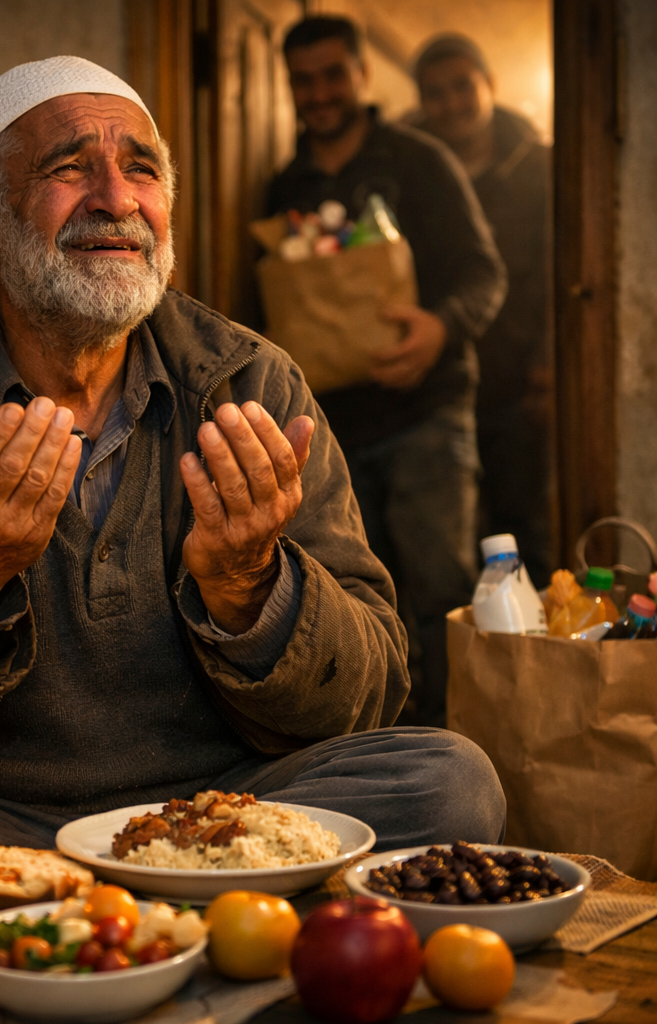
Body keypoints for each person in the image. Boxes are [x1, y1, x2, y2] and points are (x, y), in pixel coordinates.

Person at [0, 56, 503, 870]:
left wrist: (255, 588)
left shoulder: (254, 383)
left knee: (447, 780)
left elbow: (372, 690)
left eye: (141, 169)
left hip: (221, 812)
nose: (117, 201)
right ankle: (163, 904)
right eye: (69, 167)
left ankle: (125, 893)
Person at [266, 17, 506, 726]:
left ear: (362, 75)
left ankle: (464, 749)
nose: (320, 93)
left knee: (442, 597)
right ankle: (386, 751)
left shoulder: (422, 161)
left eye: (332, 74)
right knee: (354, 607)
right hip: (332, 435)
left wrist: (441, 327)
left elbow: (484, 275)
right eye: (303, 80)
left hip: (429, 417)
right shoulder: (282, 188)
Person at [411, 34, 552, 588]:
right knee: (451, 548)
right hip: (435, 383)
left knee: (525, 527)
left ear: (489, 84)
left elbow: (560, 273)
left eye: (462, 86)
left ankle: (540, 659)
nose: (451, 103)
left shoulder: (540, 167)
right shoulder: (413, 170)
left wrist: (548, 361)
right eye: (435, 93)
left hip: (516, 380)